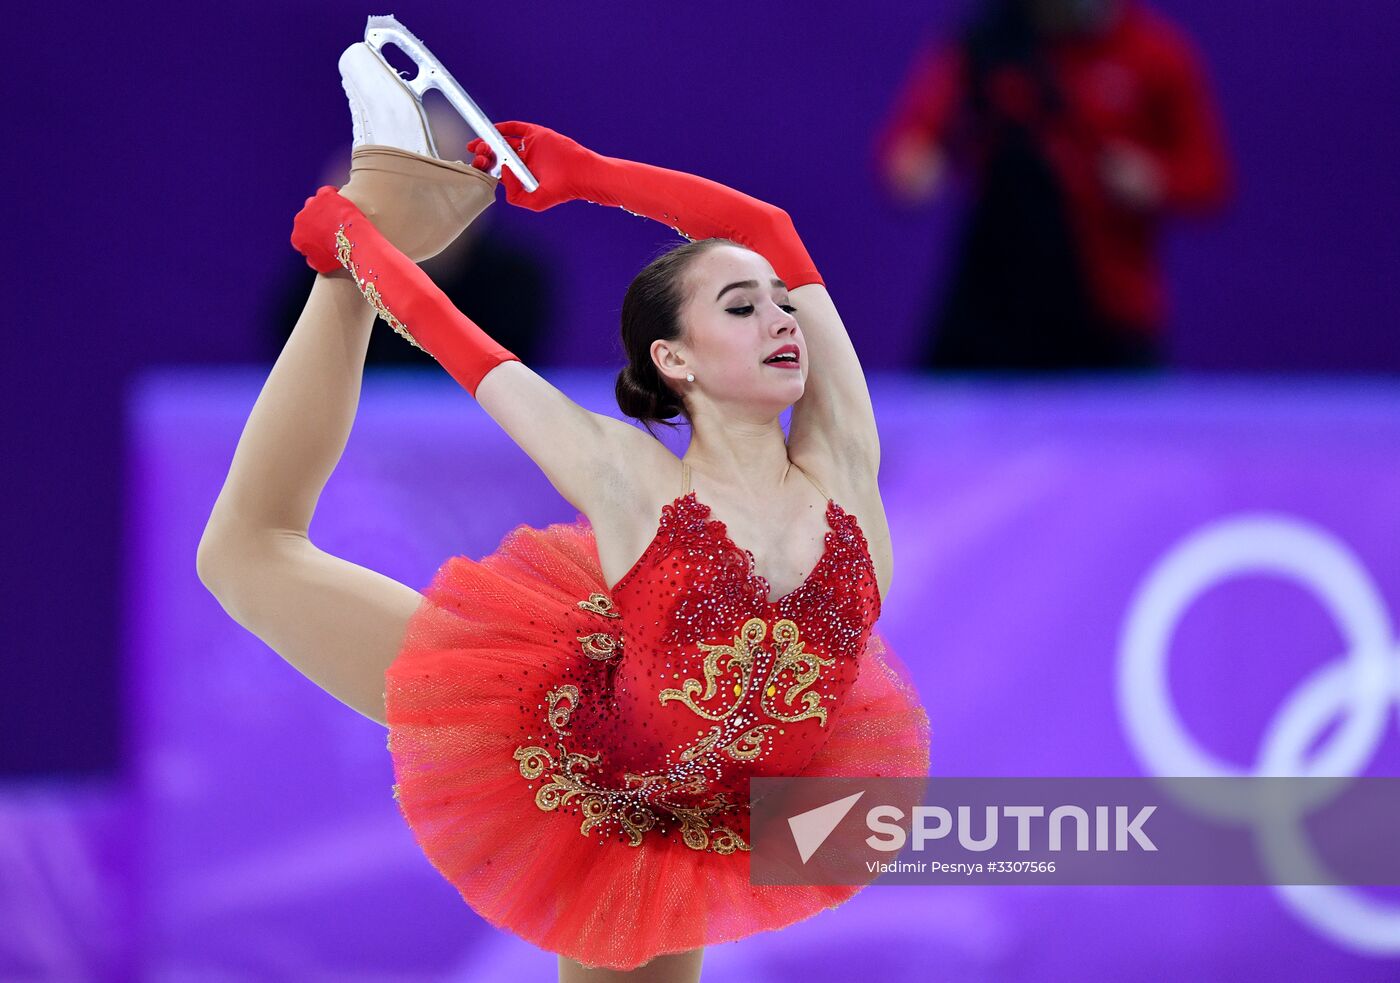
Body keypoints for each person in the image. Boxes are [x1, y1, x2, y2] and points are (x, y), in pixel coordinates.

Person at [197, 35, 929, 982]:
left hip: (719, 802)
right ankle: (383, 199)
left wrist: (587, 173)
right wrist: (355, 249)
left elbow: (774, 228)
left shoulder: (845, 459)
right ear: (678, 359)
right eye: (741, 309)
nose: (784, 319)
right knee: (245, 552)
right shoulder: (629, 473)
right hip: (581, 764)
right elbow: (465, 351)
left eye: (781, 307)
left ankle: (390, 189)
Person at [875, 0, 1231, 370]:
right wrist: (916, 164)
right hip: (994, 298)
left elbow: (1209, 178)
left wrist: (1155, 179)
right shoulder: (983, 43)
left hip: (1108, 307)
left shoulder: (1157, 52)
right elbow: (912, 142)